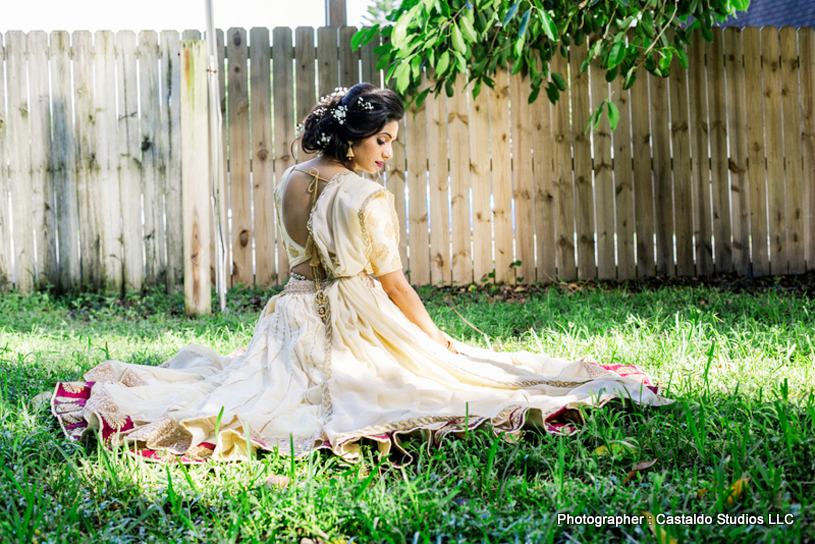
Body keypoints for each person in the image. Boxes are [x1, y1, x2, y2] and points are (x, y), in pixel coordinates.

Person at [50, 83, 668, 463]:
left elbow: (300, 249)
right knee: (447, 381)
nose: (388, 154)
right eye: (384, 142)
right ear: (355, 138)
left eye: (392, 142)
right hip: (353, 315)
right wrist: (435, 339)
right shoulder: (365, 197)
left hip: (289, 315)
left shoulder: (293, 177)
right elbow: (393, 283)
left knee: (250, 389)